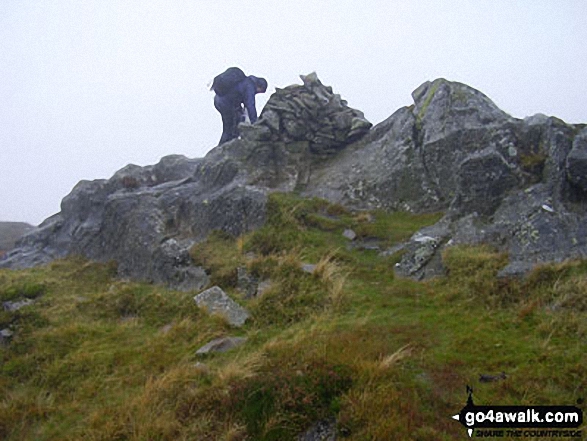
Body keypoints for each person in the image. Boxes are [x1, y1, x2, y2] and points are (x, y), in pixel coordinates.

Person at [212, 68, 268, 145]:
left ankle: (223, 147)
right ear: (259, 86)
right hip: (225, 103)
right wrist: (255, 123)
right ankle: (223, 148)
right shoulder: (250, 85)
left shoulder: (244, 82)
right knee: (231, 127)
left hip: (218, 100)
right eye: (259, 91)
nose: (257, 93)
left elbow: (237, 98)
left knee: (231, 125)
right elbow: (250, 105)